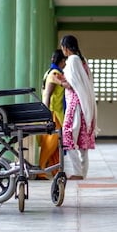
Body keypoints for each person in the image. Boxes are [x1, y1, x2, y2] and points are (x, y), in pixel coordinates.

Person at [57, 35, 97, 180]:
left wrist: (60, 82)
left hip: (75, 104)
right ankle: (82, 172)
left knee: (67, 135)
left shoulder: (72, 60)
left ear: (66, 47)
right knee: (82, 139)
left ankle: (77, 172)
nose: (63, 50)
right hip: (84, 103)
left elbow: (72, 85)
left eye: (63, 47)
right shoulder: (82, 60)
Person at [37, 49, 66, 180]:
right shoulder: (55, 74)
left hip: (54, 113)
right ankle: (41, 170)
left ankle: (54, 170)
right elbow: (48, 94)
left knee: (55, 146)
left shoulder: (48, 72)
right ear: (62, 61)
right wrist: (46, 114)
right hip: (53, 114)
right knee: (50, 145)